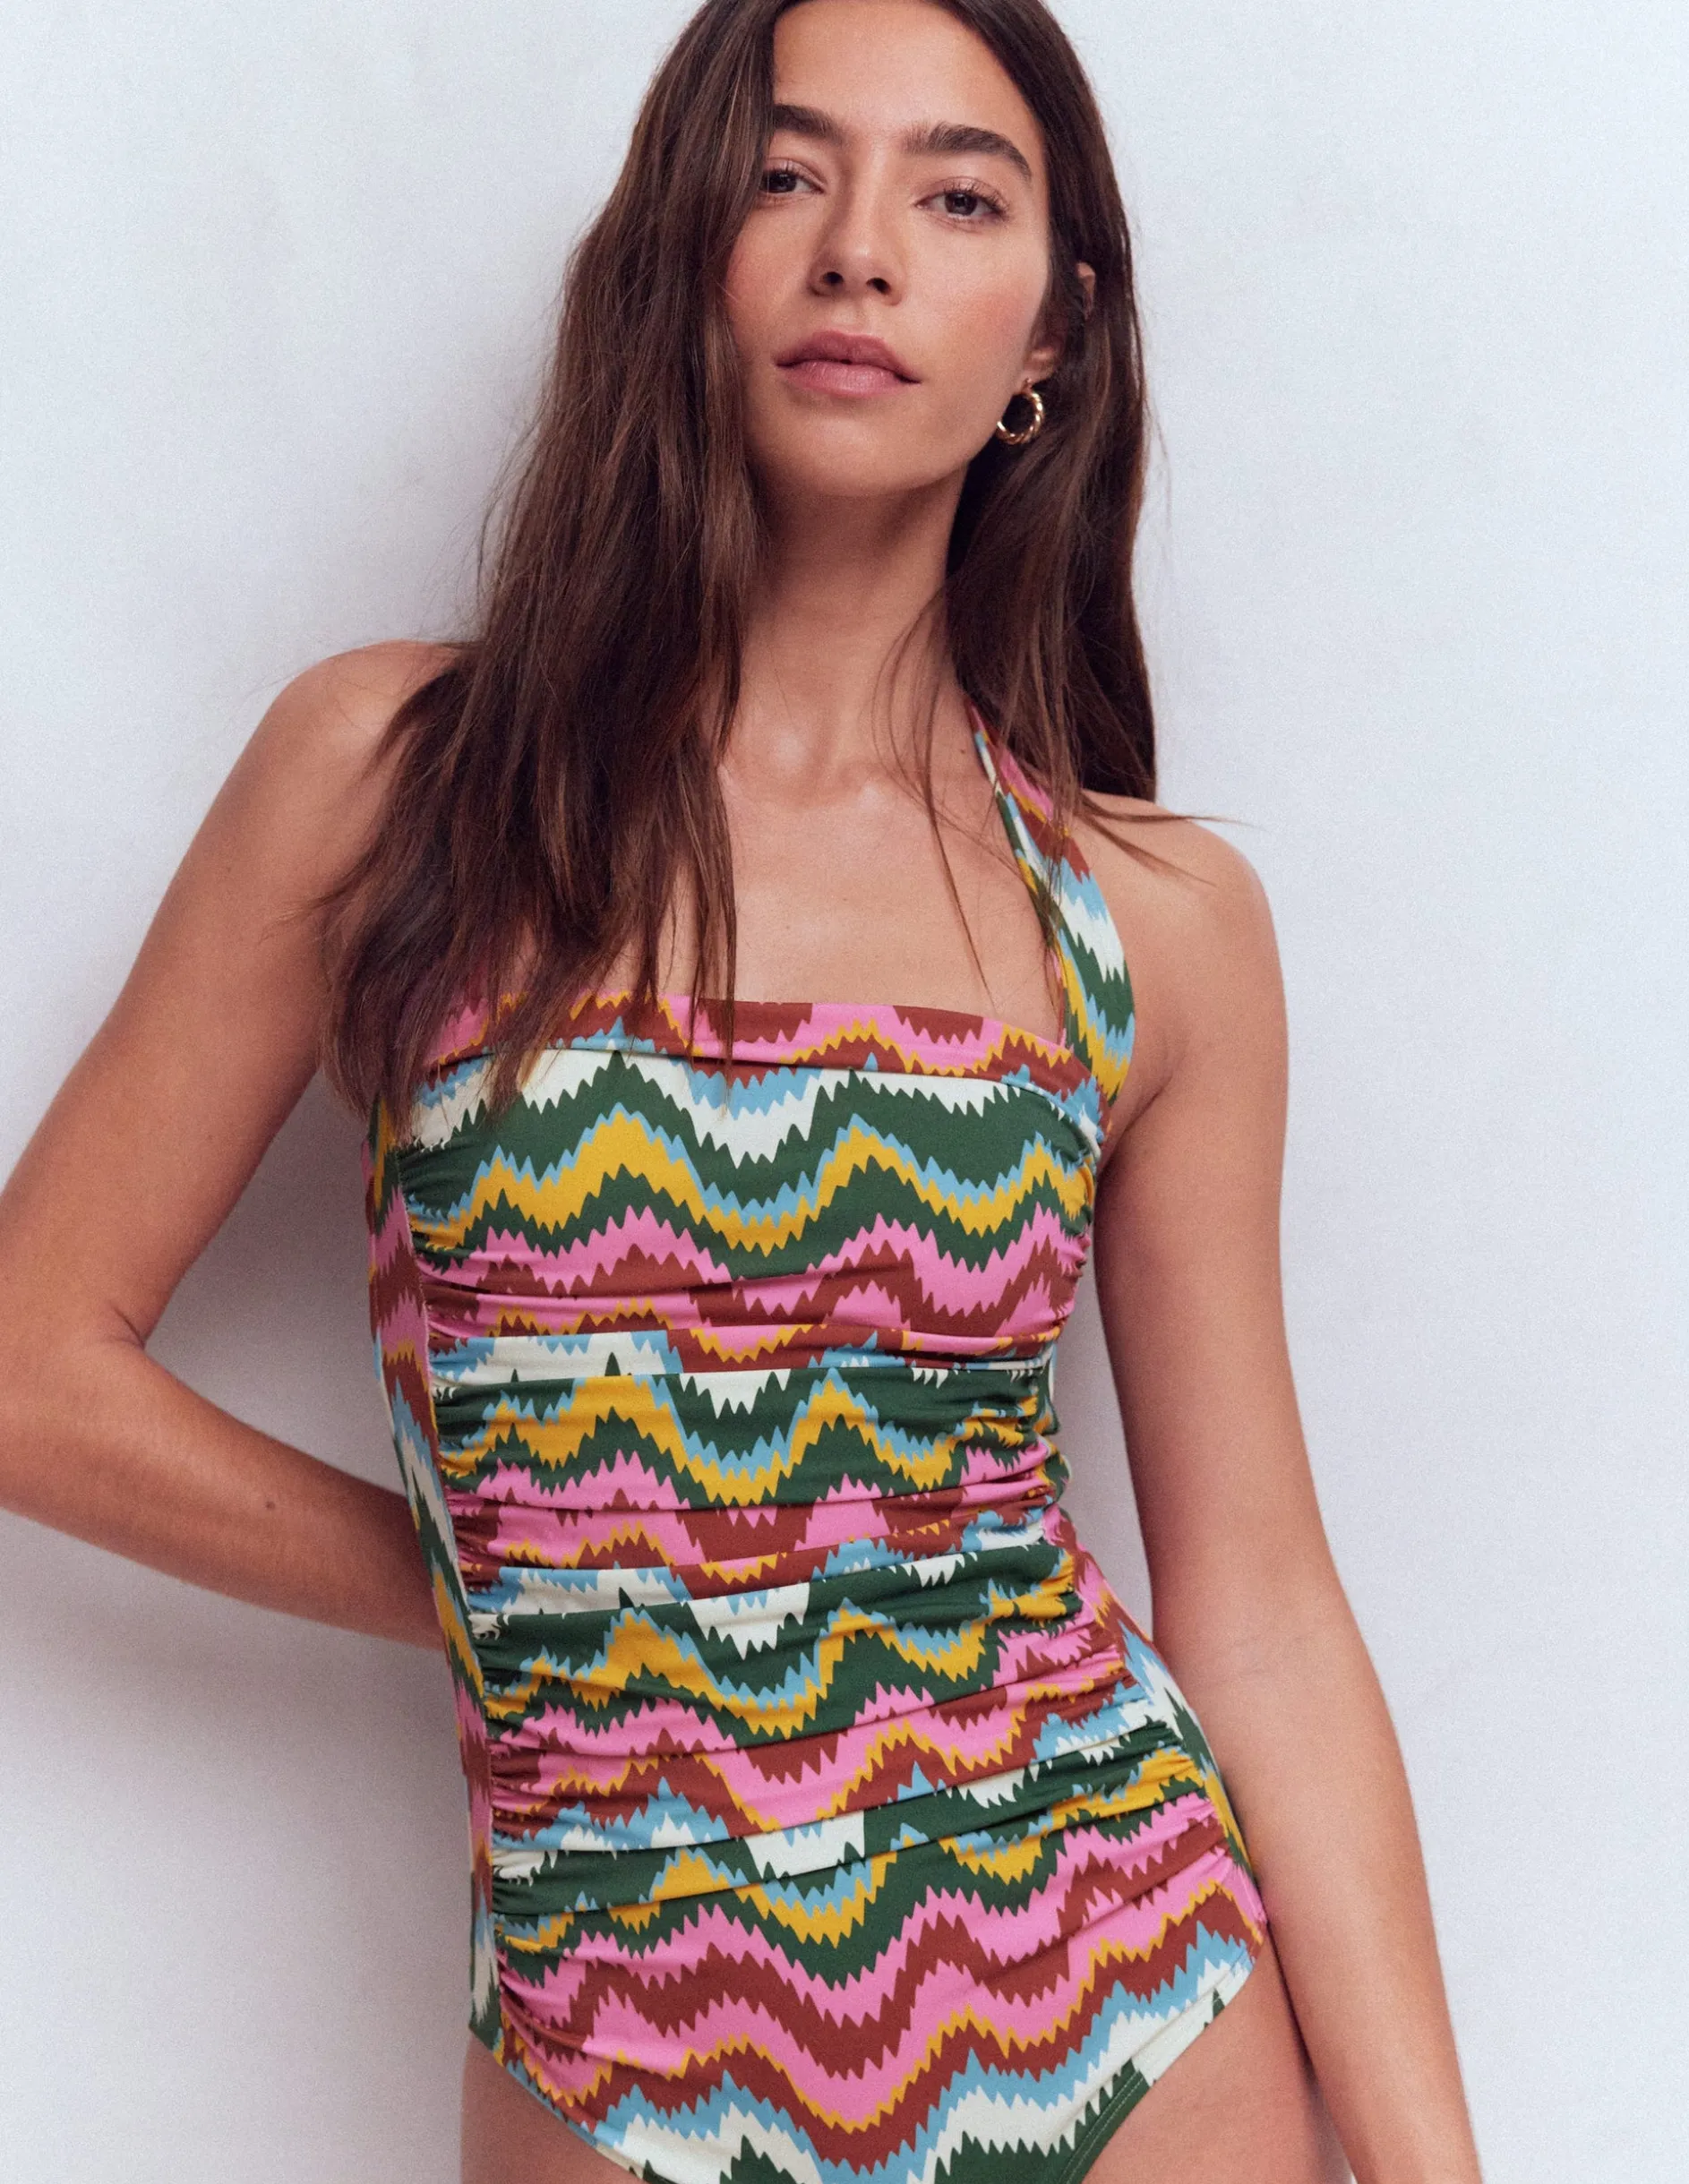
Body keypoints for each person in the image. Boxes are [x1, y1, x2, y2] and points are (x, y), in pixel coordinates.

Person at [0, 3, 1487, 2180]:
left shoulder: (1151, 922)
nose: (858, 245)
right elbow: (29, 1365)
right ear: (678, 252)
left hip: (1123, 1999)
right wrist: (528, 1581)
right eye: (787, 173)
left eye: (956, 196)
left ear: (1049, 335)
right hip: (613, 2046)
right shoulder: (392, 784)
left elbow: (1258, 1610)